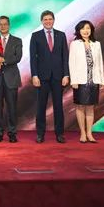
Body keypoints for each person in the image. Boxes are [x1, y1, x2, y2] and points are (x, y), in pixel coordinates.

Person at [30, 10, 69, 143]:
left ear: (53, 20)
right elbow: (33, 58)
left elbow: (65, 57)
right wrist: (34, 75)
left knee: (58, 106)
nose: (48, 21)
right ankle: (40, 134)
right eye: (45, 19)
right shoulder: (36, 36)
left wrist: (66, 74)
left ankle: (60, 134)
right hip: (42, 77)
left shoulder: (61, 35)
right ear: (42, 21)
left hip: (58, 76)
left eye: (50, 19)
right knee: (41, 106)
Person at [0, 16, 23, 143]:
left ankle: (12, 133)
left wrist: (4, 61)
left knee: (12, 107)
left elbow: (18, 57)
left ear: (9, 25)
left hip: (11, 78)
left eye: (5, 24)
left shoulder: (17, 41)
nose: (3, 26)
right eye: (0, 24)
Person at [68, 20, 104, 143]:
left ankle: (89, 133)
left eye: (88, 28)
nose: (85, 31)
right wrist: (74, 80)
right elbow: (71, 63)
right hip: (80, 80)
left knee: (90, 107)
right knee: (80, 106)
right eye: (83, 28)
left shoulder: (96, 44)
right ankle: (82, 133)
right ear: (79, 31)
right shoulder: (75, 44)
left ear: (91, 30)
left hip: (93, 80)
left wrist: (101, 80)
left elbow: (99, 63)